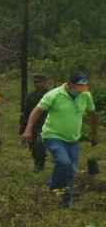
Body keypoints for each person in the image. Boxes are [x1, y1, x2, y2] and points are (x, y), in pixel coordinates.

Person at [23, 71, 98, 209]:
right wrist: (28, 129)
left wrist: (94, 135)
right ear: (70, 85)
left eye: (84, 86)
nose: (82, 89)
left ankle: (65, 201)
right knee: (64, 163)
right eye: (79, 86)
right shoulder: (54, 94)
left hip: (73, 139)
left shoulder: (86, 95)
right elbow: (37, 111)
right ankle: (54, 186)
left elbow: (92, 114)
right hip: (53, 135)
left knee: (72, 170)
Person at [20, 74, 50, 173]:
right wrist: (23, 128)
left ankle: (40, 165)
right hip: (33, 124)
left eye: (39, 82)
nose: (37, 84)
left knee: (39, 143)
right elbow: (26, 112)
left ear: (45, 82)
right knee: (33, 146)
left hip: (47, 124)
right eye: (35, 82)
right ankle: (37, 163)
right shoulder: (31, 96)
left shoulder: (51, 95)